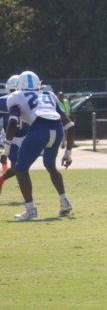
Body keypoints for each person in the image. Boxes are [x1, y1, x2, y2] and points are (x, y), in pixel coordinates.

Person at [2, 71, 74, 220]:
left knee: (20, 168)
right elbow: (70, 125)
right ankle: (64, 201)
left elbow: (13, 121)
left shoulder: (15, 96)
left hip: (39, 129)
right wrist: (68, 154)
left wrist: (6, 150)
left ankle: (30, 210)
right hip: (57, 130)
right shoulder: (49, 95)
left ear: (19, 85)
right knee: (50, 166)